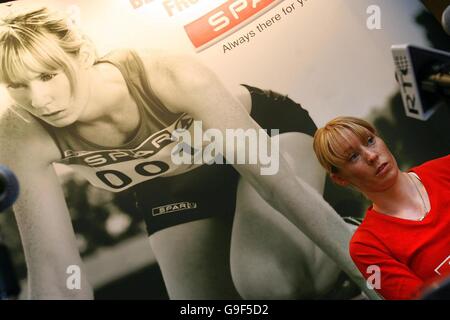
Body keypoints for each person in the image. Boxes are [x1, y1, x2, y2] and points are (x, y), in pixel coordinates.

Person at [0, 6, 376, 299]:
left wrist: (369, 275)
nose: (39, 100)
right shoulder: (19, 132)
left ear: (81, 54)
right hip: (168, 184)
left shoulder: (169, 75)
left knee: (274, 285)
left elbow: (276, 184)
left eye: (48, 75)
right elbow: (55, 271)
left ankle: (352, 232)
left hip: (265, 138)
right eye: (17, 85)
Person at [313, 116, 450, 300]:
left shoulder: (445, 168)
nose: (371, 156)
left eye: (370, 141)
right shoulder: (366, 248)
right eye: (353, 157)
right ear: (340, 179)